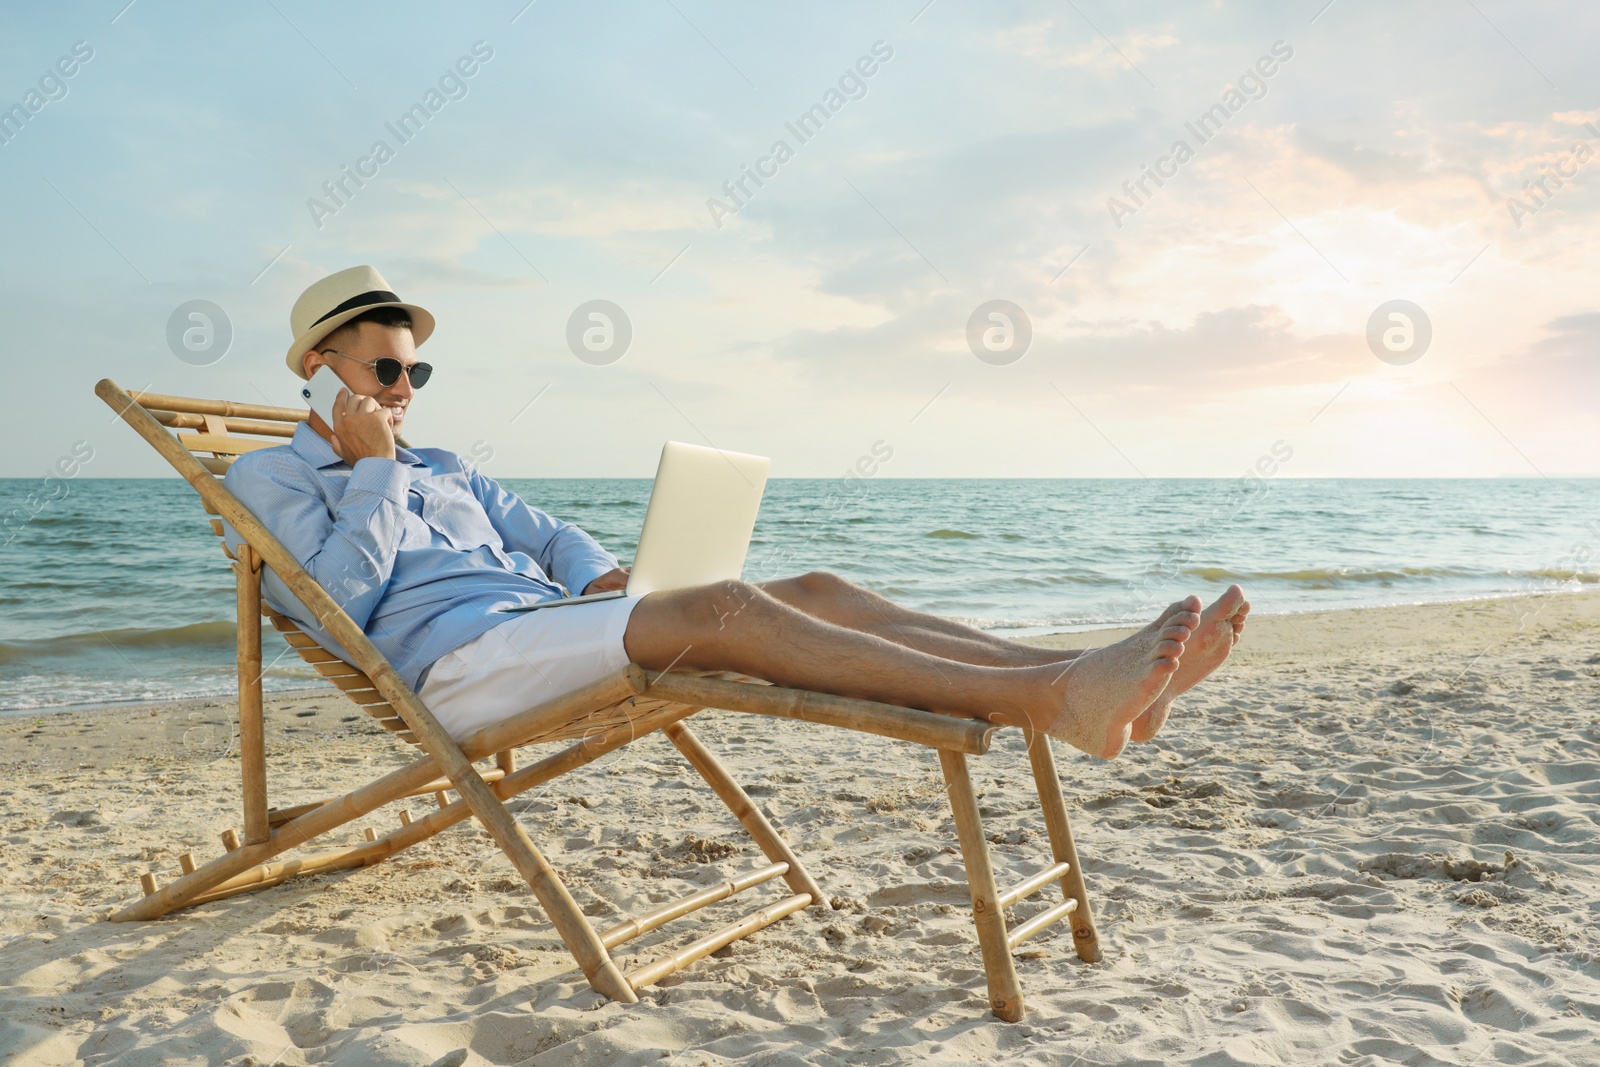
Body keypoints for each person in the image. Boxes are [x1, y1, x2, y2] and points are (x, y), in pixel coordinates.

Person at [225, 266, 1250, 760]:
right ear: (320, 369)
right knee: (724, 607)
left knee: (815, 589)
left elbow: (541, 533)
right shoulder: (270, 480)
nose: (407, 388)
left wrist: (597, 576)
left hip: (542, 626)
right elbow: (339, 608)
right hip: (456, 669)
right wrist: (372, 472)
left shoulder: (442, 460)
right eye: (388, 368)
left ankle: (1078, 680)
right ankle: (1054, 698)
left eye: (418, 367)